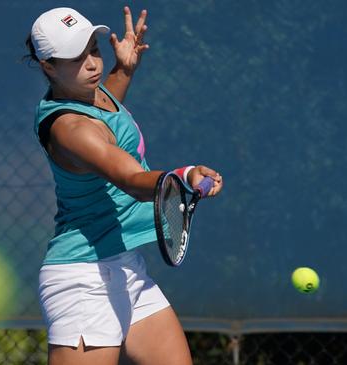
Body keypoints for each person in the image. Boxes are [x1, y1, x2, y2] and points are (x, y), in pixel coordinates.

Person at [25, 6, 223, 365]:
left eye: (94, 49)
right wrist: (183, 176)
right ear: (48, 67)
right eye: (76, 57)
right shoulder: (71, 130)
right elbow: (131, 179)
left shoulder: (89, 95)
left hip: (126, 266)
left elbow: (107, 115)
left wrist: (124, 70)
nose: (91, 63)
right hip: (84, 281)